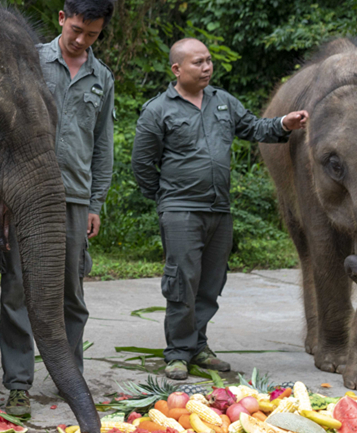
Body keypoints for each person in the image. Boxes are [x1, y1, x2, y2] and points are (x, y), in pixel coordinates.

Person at [131, 38, 309, 380]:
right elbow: (142, 163)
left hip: (219, 209)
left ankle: (198, 346)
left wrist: (284, 123)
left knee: (211, 283)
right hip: (181, 210)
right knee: (182, 281)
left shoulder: (222, 102)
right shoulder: (158, 110)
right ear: (177, 69)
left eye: (209, 61)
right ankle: (179, 353)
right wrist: (166, 198)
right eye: (198, 62)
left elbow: (253, 128)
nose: (207, 67)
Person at [0, 0, 116, 416]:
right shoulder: (27, 60)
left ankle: (71, 379)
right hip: (24, 195)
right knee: (17, 288)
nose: (82, 40)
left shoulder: (102, 79)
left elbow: (103, 145)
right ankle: (18, 384)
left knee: (71, 293)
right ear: (63, 17)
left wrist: (96, 203)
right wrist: (0, 196)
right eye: (78, 29)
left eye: (92, 35)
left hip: (74, 198)